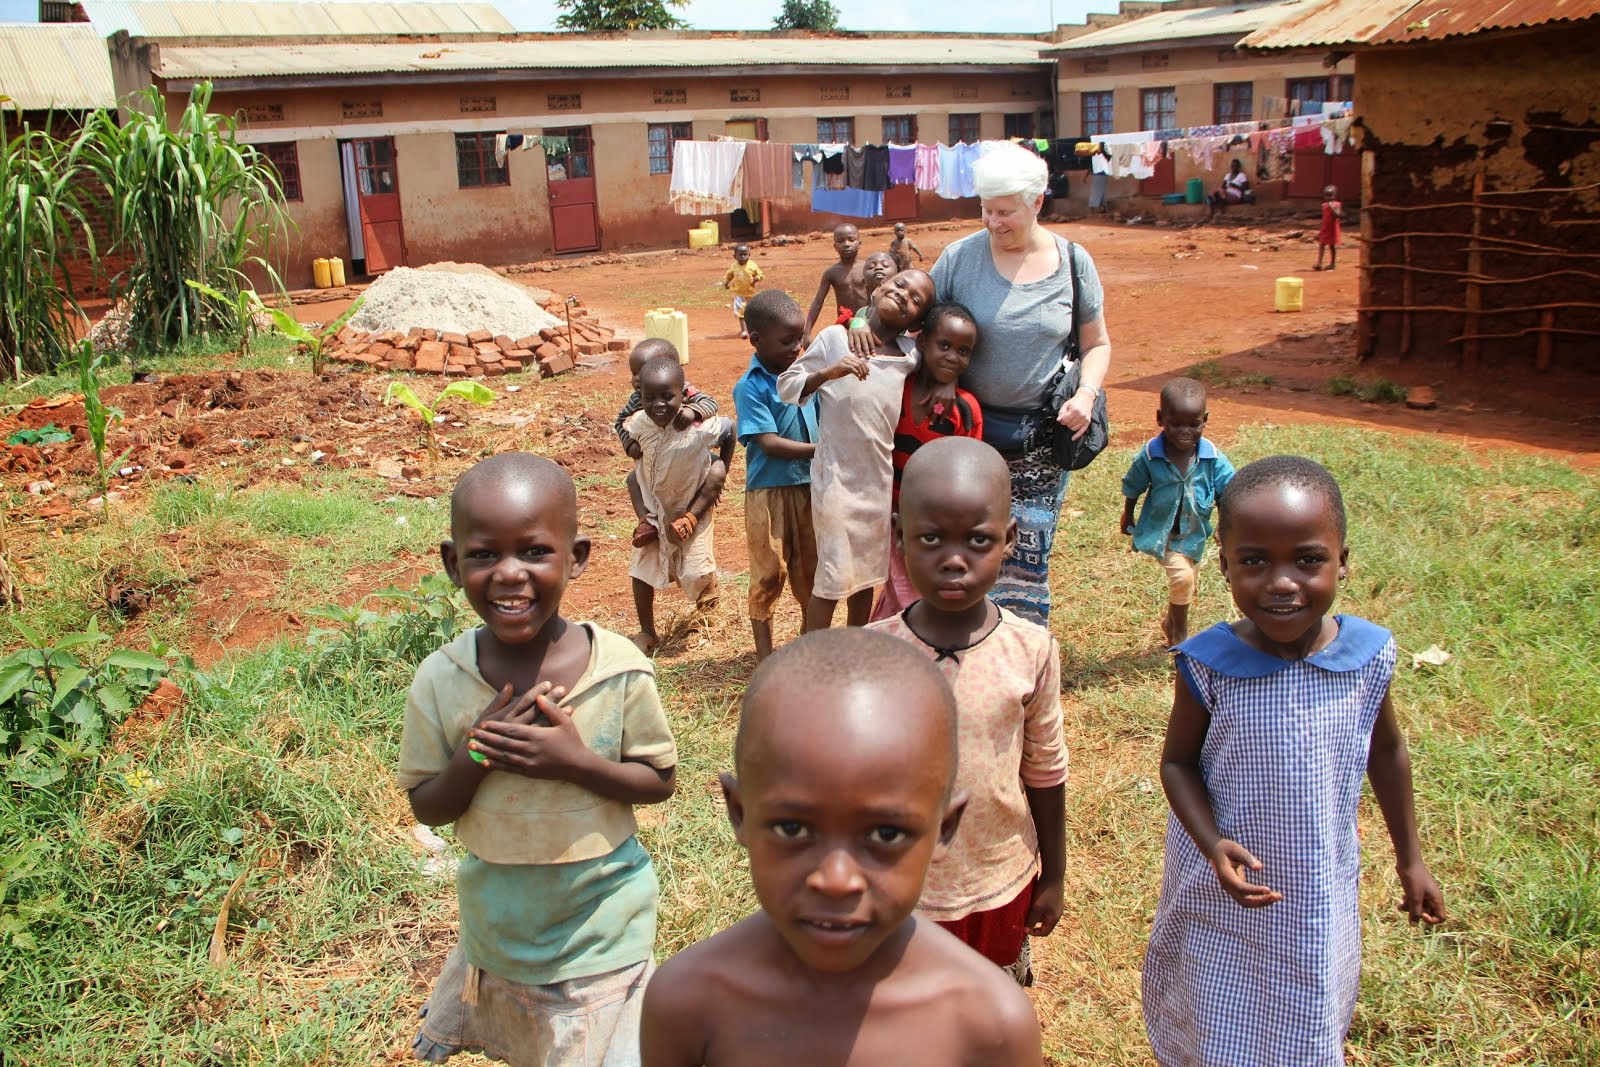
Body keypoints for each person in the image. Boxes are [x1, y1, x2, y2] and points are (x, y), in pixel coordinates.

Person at [1142, 455, 1447, 1065]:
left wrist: (1411, 860)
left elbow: (1385, 752)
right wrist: (1211, 844)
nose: (1281, 582)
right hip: (1222, 885)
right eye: (1254, 560)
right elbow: (1177, 764)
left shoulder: (1367, 658)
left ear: (1343, 561)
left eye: (1308, 559)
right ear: (1224, 563)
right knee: (1218, 1015)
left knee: (1306, 1009)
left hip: (1315, 887)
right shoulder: (1207, 664)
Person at [639, 628, 1043, 1067]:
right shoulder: (687, 1003)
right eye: (792, 828)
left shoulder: (990, 1024)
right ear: (740, 814)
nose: (835, 880)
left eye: (885, 835)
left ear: (944, 830)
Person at [399, 453, 677, 1067]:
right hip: (500, 925)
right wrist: (476, 753)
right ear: (452, 563)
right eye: (483, 554)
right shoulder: (441, 680)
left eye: (533, 552)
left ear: (575, 557)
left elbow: (658, 781)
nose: (509, 575)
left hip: (605, 927)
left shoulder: (620, 670)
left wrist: (575, 762)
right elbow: (428, 806)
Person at [867, 438, 1066, 986]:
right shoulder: (869, 653)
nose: (954, 560)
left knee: (988, 1005)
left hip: (999, 879)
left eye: (978, 541)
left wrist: (1055, 873)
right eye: (931, 539)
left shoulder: (1031, 651)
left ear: (1009, 541)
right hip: (899, 886)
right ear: (900, 538)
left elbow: (1045, 770)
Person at [921, 140, 1112, 625]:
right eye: (986, 210)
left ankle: (1023, 663)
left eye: (1005, 212)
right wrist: (859, 324)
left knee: (1027, 561)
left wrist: (1086, 395)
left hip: (1042, 441)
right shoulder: (959, 259)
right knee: (966, 555)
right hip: (966, 438)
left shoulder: (1073, 263)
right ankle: (968, 653)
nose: (992, 223)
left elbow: (1097, 345)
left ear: (1037, 202)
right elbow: (908, 319)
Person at [778, 269, 935, 630]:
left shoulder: (910, 355)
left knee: (865, 574)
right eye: (898, 285)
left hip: (877, 480)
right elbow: (788, 386)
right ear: (878, 287)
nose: (903, 296)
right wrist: (828, 373)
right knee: (832, 576)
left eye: (915, 300)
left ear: (917, 320)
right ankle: (811, 661)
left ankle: (855, 650)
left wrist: (861, 317)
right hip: (835, 477)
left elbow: (943, 352)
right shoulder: (836, 338)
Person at [870, 303, 985, 622]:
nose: (952, 356)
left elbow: (970, 474)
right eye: (944, 345)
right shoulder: (894, 389)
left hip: (932, 524)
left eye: (963, 351)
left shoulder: (964, 410)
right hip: (886, 516)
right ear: (921, 342)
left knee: (916, 595)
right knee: (902, 593)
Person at [624, 356, 736, 654]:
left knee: (698, 569)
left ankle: (708, 618)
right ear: (640, 397)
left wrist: (722, 469)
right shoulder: (639, 423)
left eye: (667, 397)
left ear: (682, 394)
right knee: (641, 569)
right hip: (656, 511)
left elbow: (730, 429)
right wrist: (630, 446)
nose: (658, 404)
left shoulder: (698, 427)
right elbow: (624, 432)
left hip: (692, 510)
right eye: (650, 398)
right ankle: (647, 631)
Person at [731, 289, 818, 663]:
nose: (796, 347)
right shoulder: (751, 386)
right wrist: (823, 451)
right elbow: (768, 443)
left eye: (799, 338)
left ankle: (809, 647)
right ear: (756, 340)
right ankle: (765, 658)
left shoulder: (804, 378)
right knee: (769, 573)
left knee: (810, 573)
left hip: (810, 488)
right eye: (787, 341)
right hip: (769, 495)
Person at [1121, 377, 1235, 647]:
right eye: (1176, 424)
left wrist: (1224, 524)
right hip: (1163, 535)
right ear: (1160, 419)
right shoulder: (1151, 455)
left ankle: (1170, 623)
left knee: (1188, 585)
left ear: (1205, 420)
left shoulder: (1213, 459)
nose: (1185, 431)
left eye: (1194, 424)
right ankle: (1180, 635)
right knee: (1182, 578)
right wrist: (1128, 514)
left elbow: (1229, 492)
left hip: (1194, 536)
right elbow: (1133, 485)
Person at [614, 339, 721, 548]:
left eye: (641, 371)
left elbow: (711, 403)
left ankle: (690, 518)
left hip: (687, 458)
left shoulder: (684, 391)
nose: (636, 379)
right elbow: (620, 421)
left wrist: (692, 411)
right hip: (655, 461)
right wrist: (629, 444)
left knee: (714, 471)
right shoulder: (639, 397)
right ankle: (646, 522)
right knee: (632, 479)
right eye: (633, 372)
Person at [802, 223, 872, 341]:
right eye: (841, 241)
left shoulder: (868, 269)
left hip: (868, 323)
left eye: (851, 240)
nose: (846, 244)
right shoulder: (831, 273)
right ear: (835, 246)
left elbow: (879, 296)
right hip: (845, 325)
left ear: (859, 243)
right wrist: (806, 333)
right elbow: (818, 302)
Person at [722, 243, 763, 339]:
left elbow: (761, 275)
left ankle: (753, 329)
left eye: (746, 254)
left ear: (749, 255)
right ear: (734, 256)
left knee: (751, 312)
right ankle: (744, 331)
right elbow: (729, 275)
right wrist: (726, 282)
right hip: (738, 294)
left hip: (750, 293)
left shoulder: (752, 265)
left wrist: (756, 278)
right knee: (741, 313)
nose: (743, 257)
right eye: (741, 255)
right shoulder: (734, 266)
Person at [1315, 185, 1343, 271]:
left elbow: (1337, 215)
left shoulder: (1337, 205)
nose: (1329, 197)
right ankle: (1319, 263)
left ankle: (1332, 264)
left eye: (1331, 195)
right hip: (1325, 228)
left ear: (1335, 196)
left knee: (1332, 246)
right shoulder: (1324, 205)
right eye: (1327, 195)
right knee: (1321, 245)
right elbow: (1324, 218)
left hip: (1333, 230)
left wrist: (1331, 207)